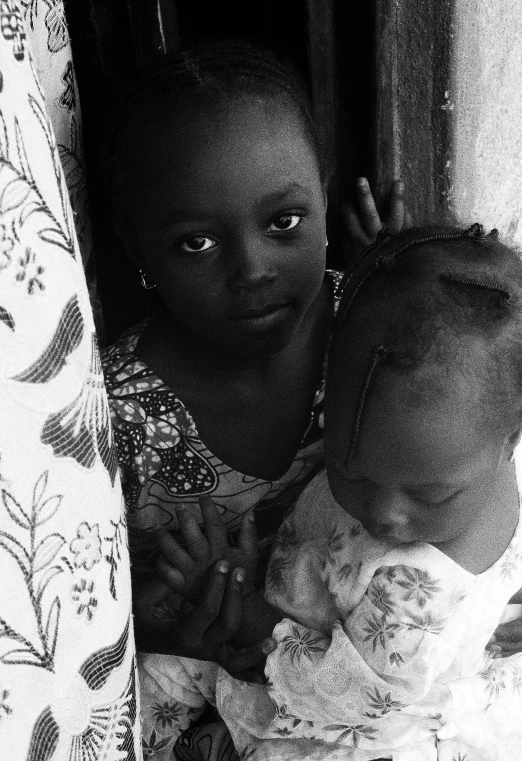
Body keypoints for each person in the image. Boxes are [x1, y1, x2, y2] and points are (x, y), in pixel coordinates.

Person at [100, 40, 406, 756]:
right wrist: (176, 629)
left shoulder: (372, 337)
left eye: (283, 222)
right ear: (138, 249)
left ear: (323, 197)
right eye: (197, 242)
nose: (253, 270)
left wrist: (399, 304)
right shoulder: (114, 413)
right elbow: (99, 616)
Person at [157, 223, 522, 760]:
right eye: (352, 472)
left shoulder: (417, 599)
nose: (386, 516)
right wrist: (382, 270)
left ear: (509, 441)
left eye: (429, 496)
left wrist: (243, 605)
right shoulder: (467, 446)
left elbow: (349, 694)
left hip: (352, 713)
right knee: (156, 669)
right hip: (308, 611)